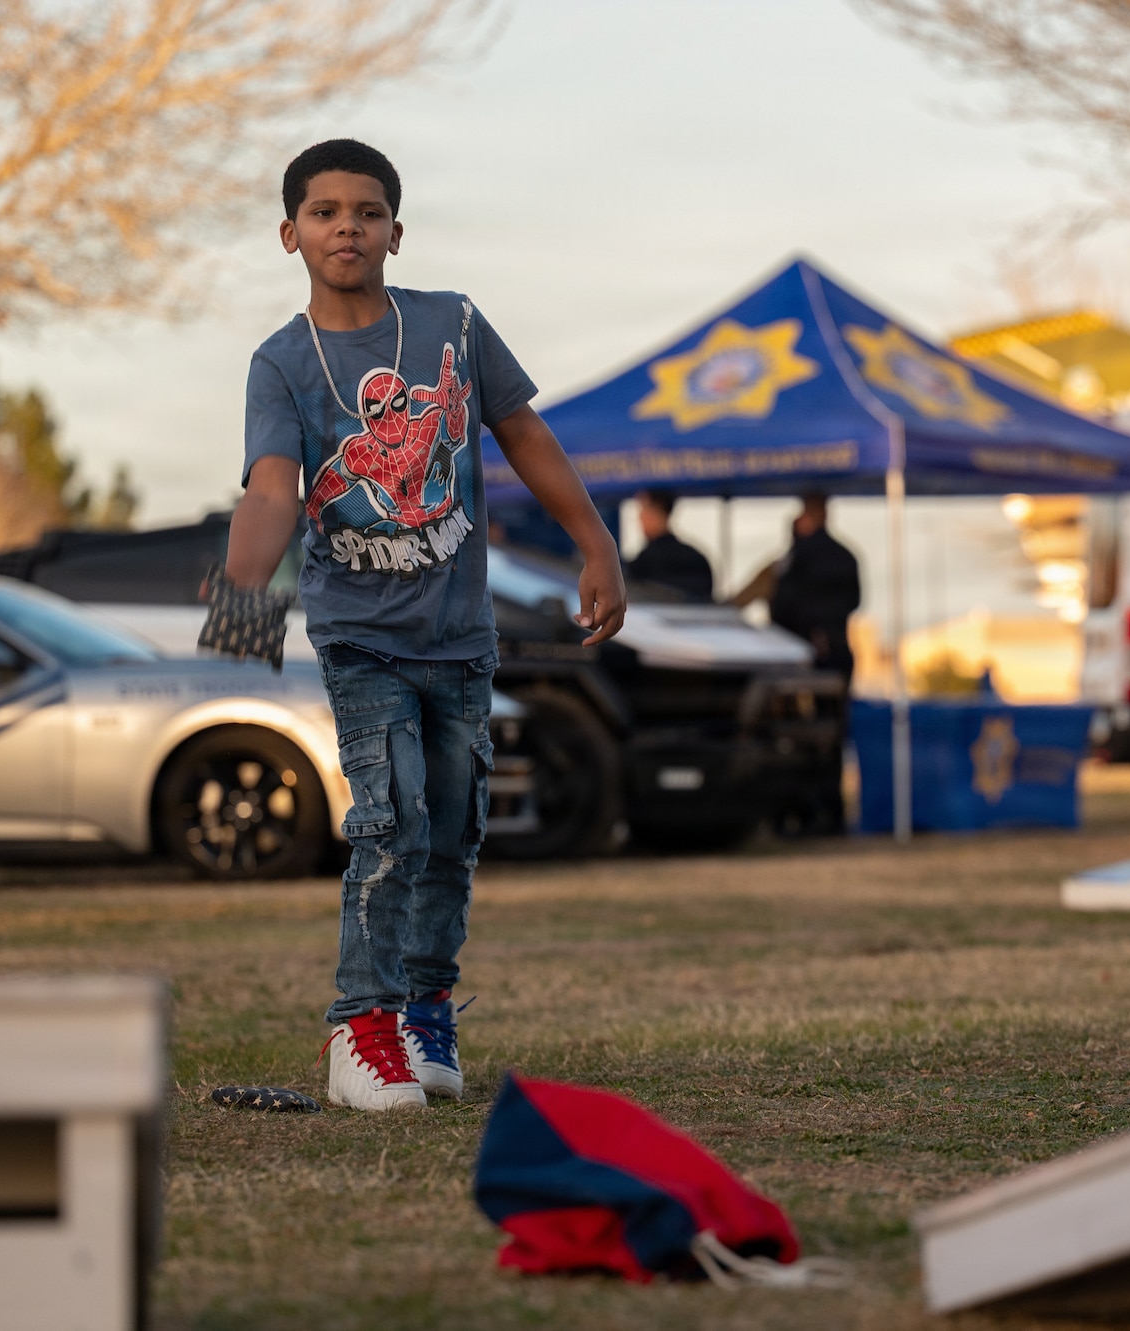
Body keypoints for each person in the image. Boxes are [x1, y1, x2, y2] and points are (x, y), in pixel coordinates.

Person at [222, 140, 625, 1111]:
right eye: (323, 212)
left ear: (396, 231)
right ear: (290, 235)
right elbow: (274, 484)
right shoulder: (281, 363)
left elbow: (522, 430)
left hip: (459, 636)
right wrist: (247, 577)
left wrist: (595, 544)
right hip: (360, 635)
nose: (346, 226)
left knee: (449, 830)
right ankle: (358, 1027)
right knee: (389, 819)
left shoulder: (453, 326)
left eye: (366, 211)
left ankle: (421, 1013)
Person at [737, 493, 861, 685]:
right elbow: (854, 601)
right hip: (835, 647)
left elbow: (780, 600)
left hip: (800, 649)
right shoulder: (845, 556)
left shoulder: (795, 559)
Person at [626, 489, 714, 602]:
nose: (639, 518)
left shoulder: (643, 563)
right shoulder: (698, 559)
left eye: (643, 510)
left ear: (657, 511)